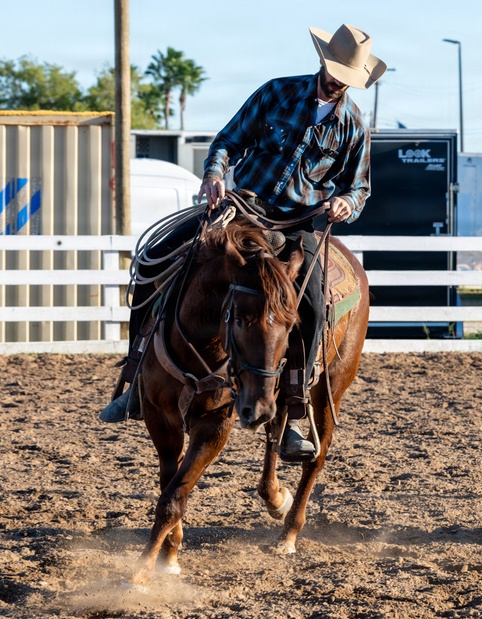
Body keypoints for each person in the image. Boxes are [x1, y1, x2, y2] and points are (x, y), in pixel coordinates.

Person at [100, 23, 386, 462]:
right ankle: (135, 377)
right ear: (322, 62)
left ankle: (293, 410)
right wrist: (214, 173)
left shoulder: (352, 125)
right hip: (243, 207)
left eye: (345, 78)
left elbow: (359, 187)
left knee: (311, 305)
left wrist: (346, 204)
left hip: (299, 224)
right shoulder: (276, 93)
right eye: (333, 72)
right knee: (158, 259)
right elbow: (229, 139)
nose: (335, 82)